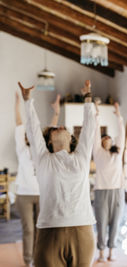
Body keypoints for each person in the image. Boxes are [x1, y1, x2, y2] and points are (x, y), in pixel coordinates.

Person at [19, 80, 97, 267]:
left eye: (65, 129)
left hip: (82, 229)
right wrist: (27, 100)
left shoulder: (81, 157)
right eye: (55, 129)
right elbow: (32, 129)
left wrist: (88, 97)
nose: (60, 127)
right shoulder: (44, 159)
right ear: (49, 140)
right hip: (49, 230)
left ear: (71, 139)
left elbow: (89, 128)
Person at [14, 92, 60, 266]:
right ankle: (28, 261)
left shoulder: (43, 150)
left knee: (41, 229)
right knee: (28, 230)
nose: (27, 135)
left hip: (42, 194)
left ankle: (39, 259)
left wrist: (56, 112)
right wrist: (17, 104)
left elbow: (51, 129)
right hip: (24, 195)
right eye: (26, 134)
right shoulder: (21, 150)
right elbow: (19, 124)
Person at [93, 101, 125, 262]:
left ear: (112, 142)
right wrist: (96, 112)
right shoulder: (98, 153)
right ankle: (100, 252)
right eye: (104, 136)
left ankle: (111, 252)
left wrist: (118, 115)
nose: (106, 137)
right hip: (101, 193)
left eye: (108, 137)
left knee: (115, 224)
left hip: (117, 192)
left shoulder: (117, 153)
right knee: (101, 224)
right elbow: (95, 132)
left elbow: (122, 133)